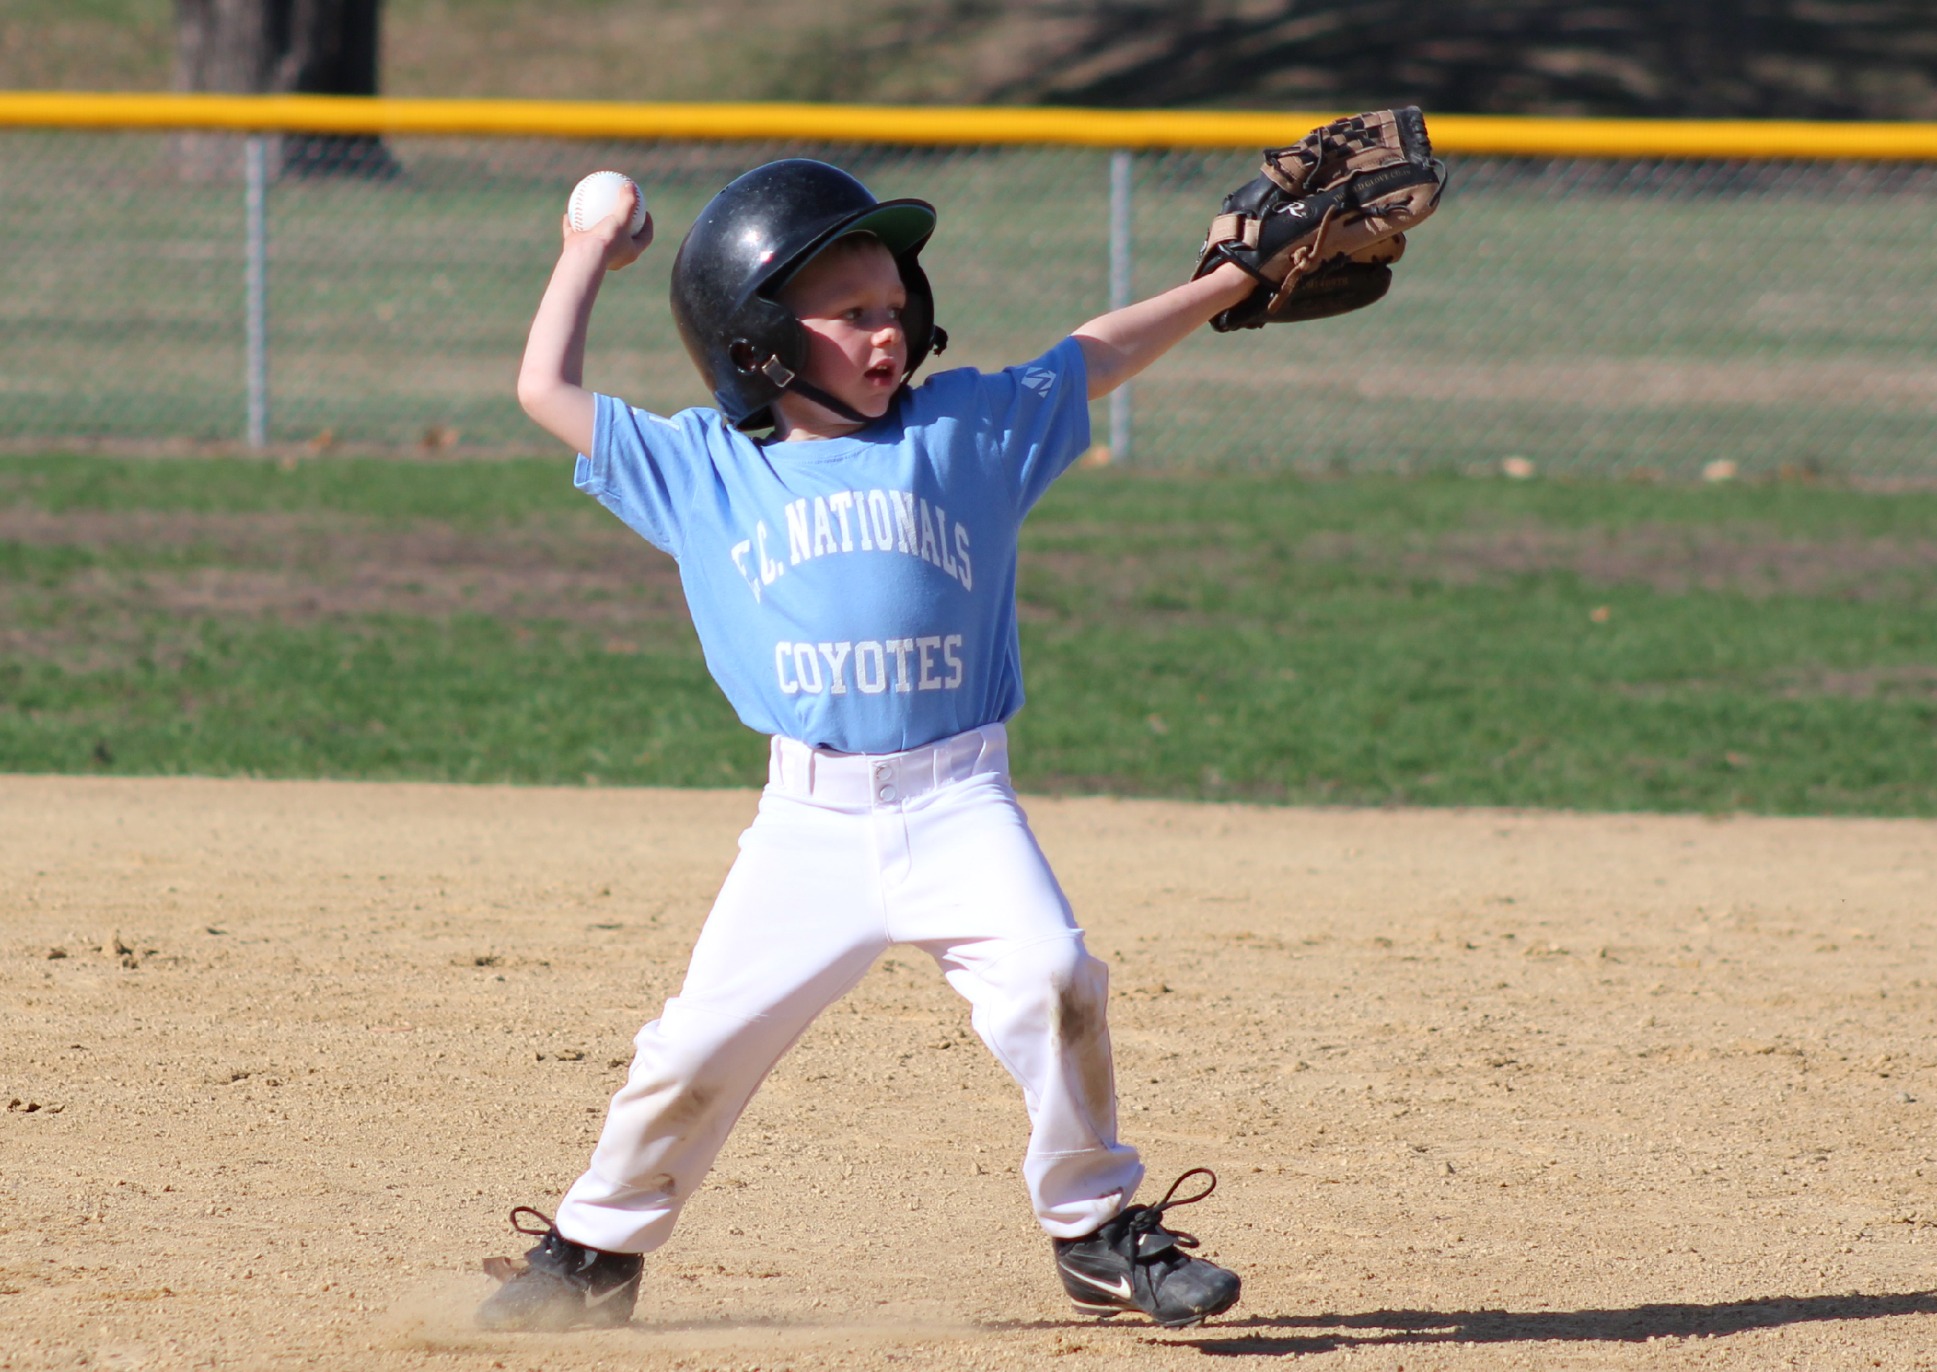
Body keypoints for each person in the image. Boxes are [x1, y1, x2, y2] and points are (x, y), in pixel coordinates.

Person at [477, 157, 1260, 1334]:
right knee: (694, 1047)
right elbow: (544, 387)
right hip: (809, 823)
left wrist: (1228, 280)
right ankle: (595, 1251)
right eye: (852, 315)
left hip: (960, 802)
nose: (888, 334)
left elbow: (1093, 352)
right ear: (758, 341)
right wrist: (586, 251)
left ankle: (1093, 1228)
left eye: (895, 310)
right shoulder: (702, 469)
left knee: (1054, 980)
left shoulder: (964, 433)